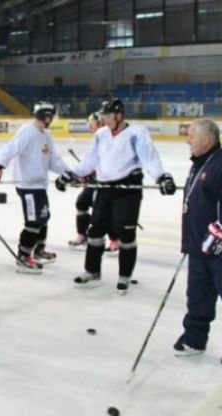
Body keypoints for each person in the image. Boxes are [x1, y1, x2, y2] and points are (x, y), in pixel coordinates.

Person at [56, 98, 176, 293]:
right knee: (95, 231)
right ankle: (92, 271)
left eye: (107, 115)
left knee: (126, 235)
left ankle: (125, 276)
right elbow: (90, 161)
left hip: (127, 188)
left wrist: (162, 177)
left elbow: (150, 159)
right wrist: (71, 174)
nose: (104, 119)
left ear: (119, 116)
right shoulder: (101, 134)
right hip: (104, 188)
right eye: (103, 116)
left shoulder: (137, 133)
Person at [174, 119, 222, 369]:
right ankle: (195, 339)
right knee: (198, 296)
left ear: (207, 139)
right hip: (199, 247)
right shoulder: (200, 163)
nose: (187, 140)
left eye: (192, 136)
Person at [0, 101, 69, 273]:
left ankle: (38, 250)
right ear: (43, 115)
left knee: (43, 217)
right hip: (27, 186)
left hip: (40, 185)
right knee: (33, 221)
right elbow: (9, 149)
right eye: (49, 116)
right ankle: (23, 257)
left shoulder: (45, 135)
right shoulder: (28, 132)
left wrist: (70, 172)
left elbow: (53, 160)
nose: (51, 119)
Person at [69, 112, 120, 254]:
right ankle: (82, 234)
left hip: (107, 181)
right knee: (82, 202)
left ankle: (115, 239)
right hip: (96, 180)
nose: (89, 126)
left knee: (104, 209)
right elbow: (90, 162)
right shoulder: (98, 137)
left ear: (99, 123)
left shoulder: (110, 137)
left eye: (91, 123)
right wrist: (85, 174)